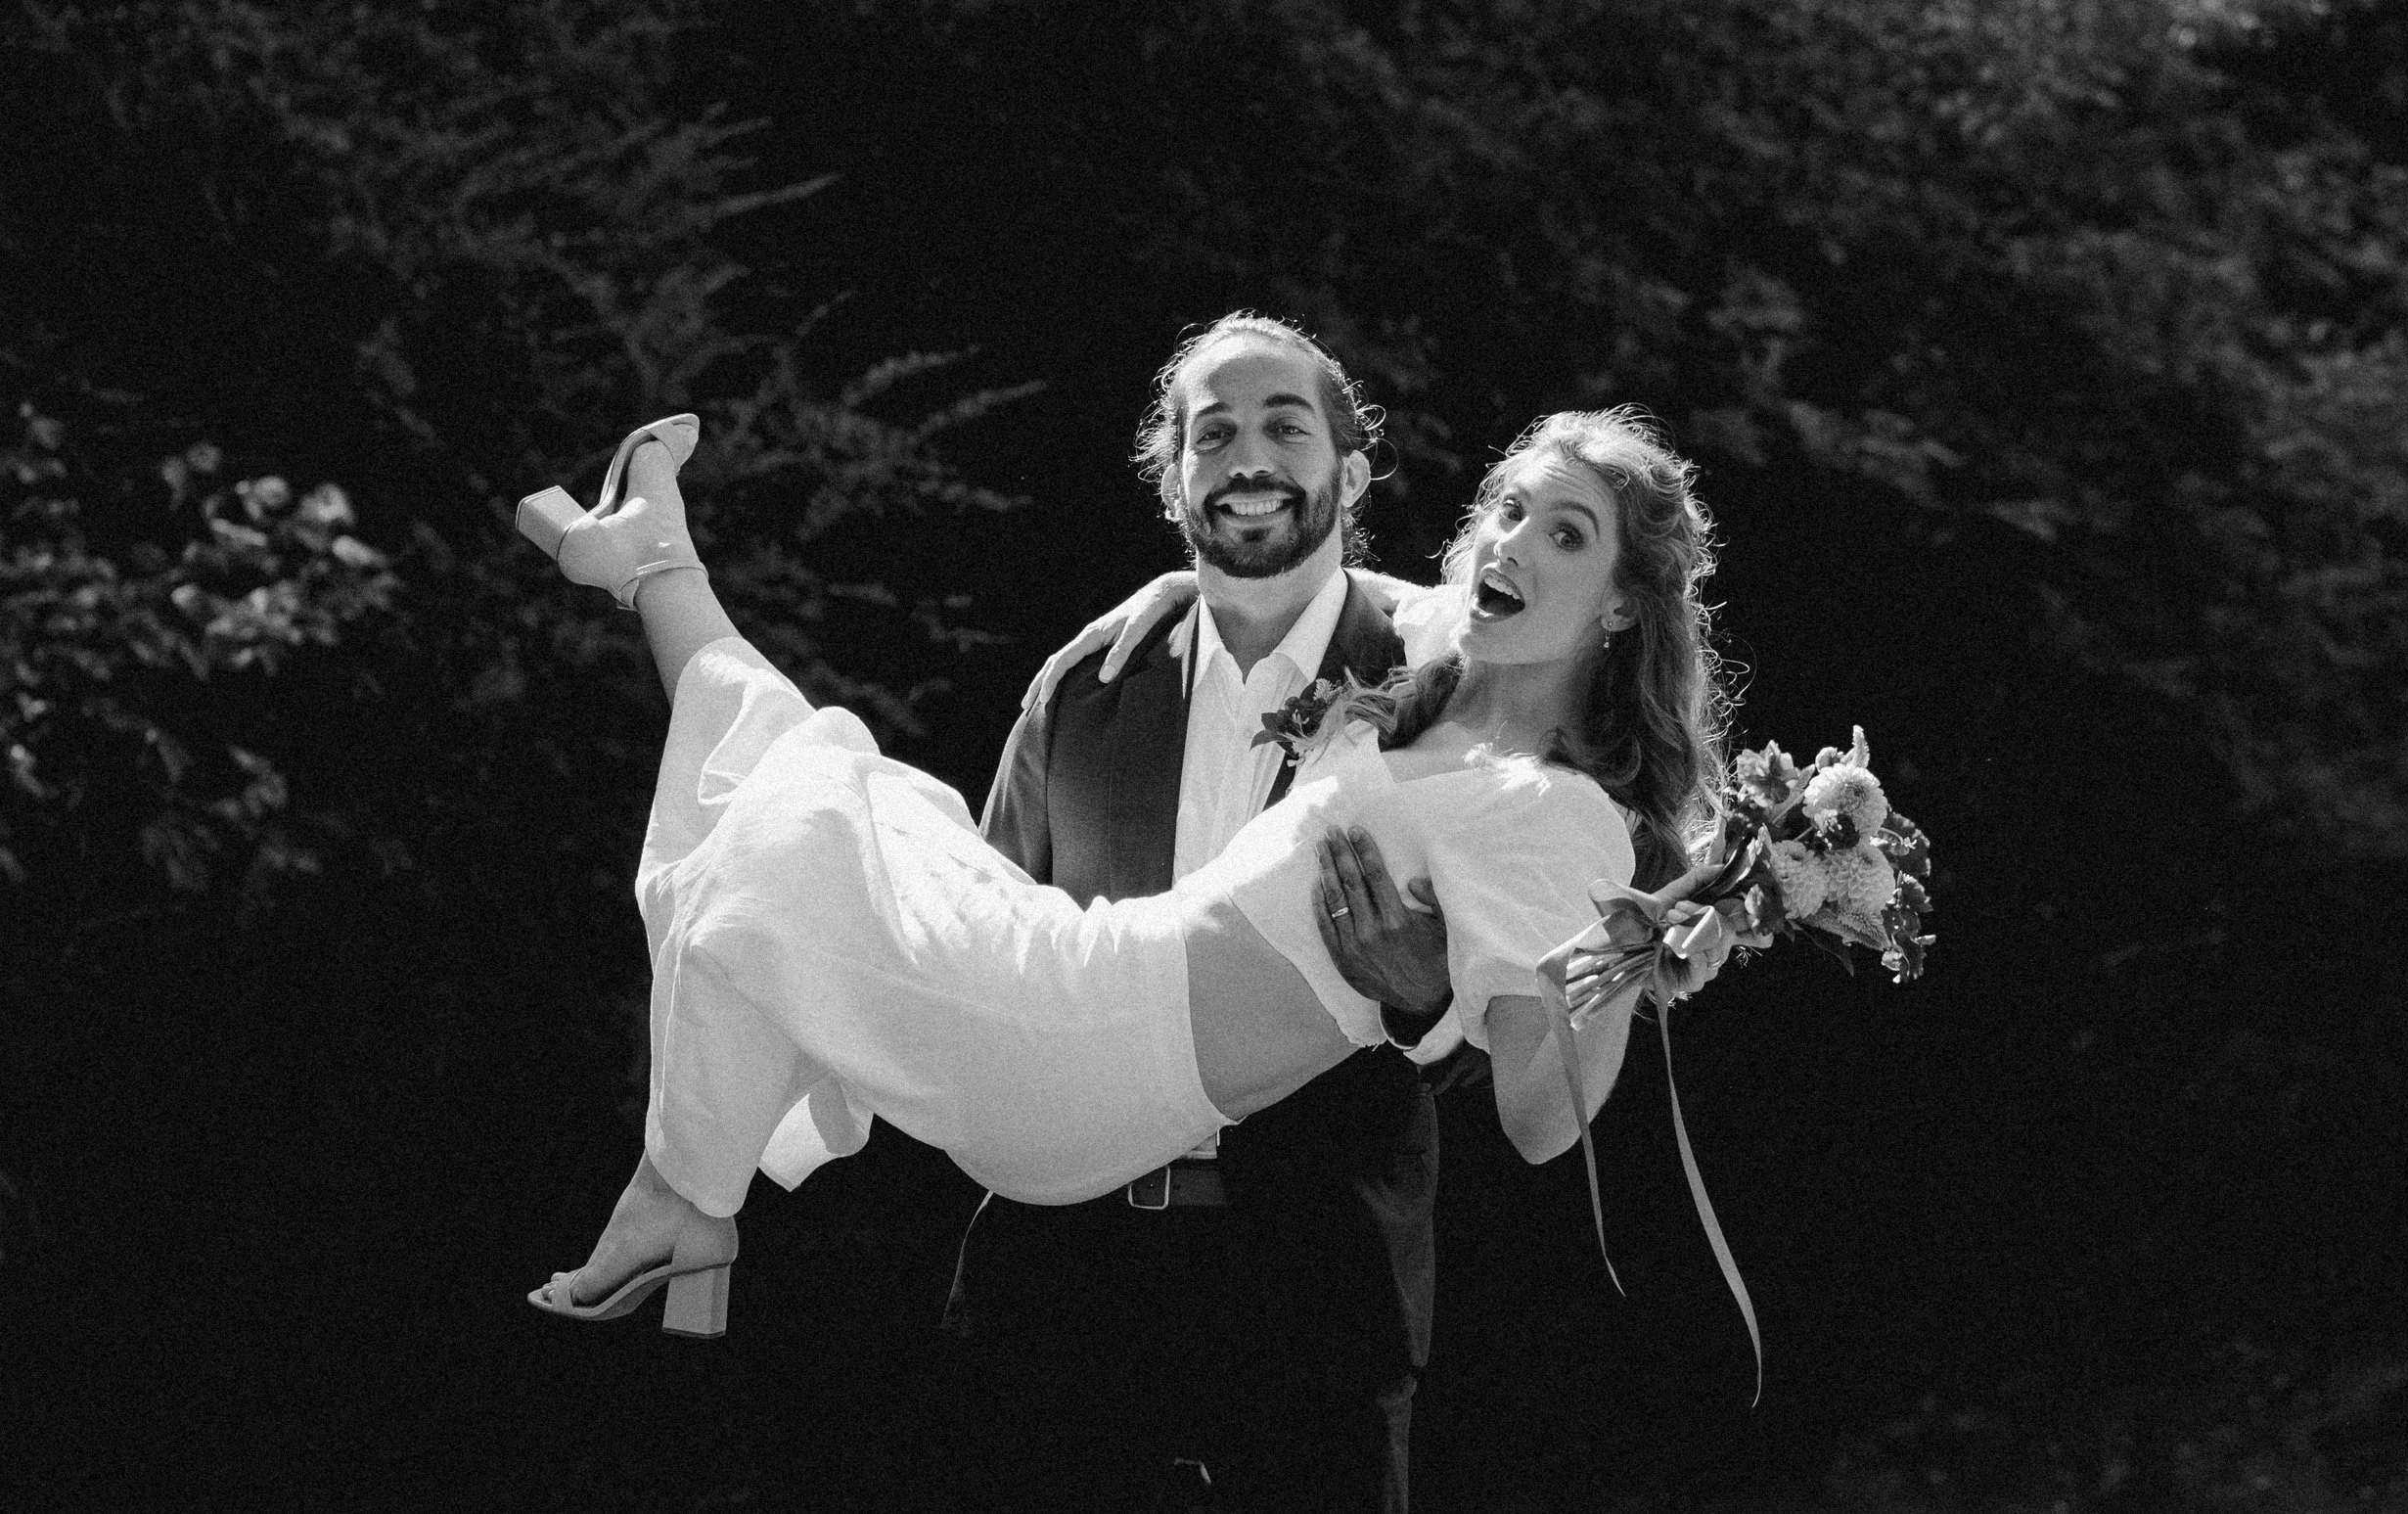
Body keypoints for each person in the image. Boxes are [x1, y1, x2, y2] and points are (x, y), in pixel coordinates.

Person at [519, 390, 1735, 1497]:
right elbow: (1295, 586)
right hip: (1084, 1002)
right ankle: (650, 564)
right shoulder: (1435, 674)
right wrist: (1181, 589)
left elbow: (1539, 1115)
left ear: (1625, 602)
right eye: (1510, 509)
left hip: (1106, 1059)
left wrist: (1632, 962)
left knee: (804, 830)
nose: (1516, 542)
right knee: (829, 800)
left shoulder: (1555, 809)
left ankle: (682, 1188)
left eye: (1566, 533)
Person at [948, 314, 1458, 1514]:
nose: (1247, 459)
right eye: (1211, 432)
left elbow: (1528, 1017)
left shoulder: (1442, 688)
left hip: (1317, 1287)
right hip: (1066, 1282)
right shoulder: (1083, 688)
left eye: (1286, 425)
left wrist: (1424, 994)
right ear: (1173, 475)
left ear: (1350, 463)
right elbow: (976, 945)